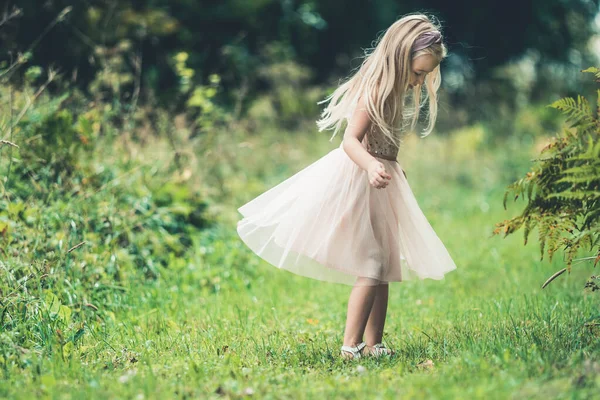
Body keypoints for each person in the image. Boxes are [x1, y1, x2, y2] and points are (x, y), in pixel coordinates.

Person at [236, 13, 457, 360]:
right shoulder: (374, 92)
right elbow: (350, 142)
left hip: (381, 182)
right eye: (418, 72)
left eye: (426, 75)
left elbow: (386, 146)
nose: (420, 81)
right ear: (400, 57)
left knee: (384, 264)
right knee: (370, 264)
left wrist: (392, 168)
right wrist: (371, 164)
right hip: (358, 179)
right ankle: (349, 346)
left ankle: (374, 344)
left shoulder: (394, 94)